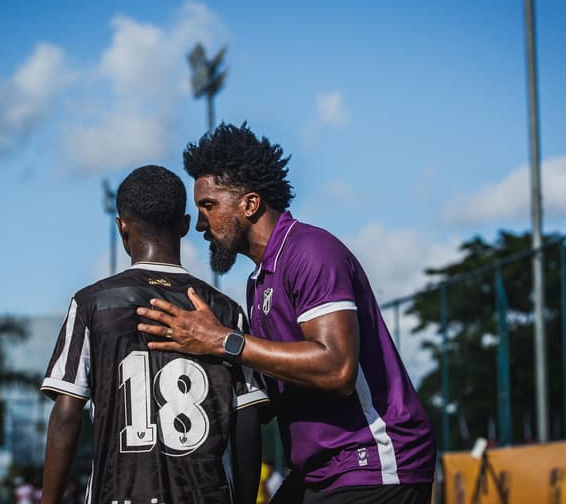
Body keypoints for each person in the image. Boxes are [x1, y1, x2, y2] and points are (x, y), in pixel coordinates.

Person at [136, 124, 437, 503]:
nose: (199, 224)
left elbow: (337, 368)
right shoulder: (259, 281)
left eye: (208, 206)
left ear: (249, 204)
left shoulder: (311, 251)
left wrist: (222, 341)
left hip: (372, 461)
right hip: (321, 470)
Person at [40, 165, 268, 504]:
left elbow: (67, 414)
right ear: (185, 225)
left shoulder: (92, 303)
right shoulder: (224, 311)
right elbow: (246, 421)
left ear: (122, 227)